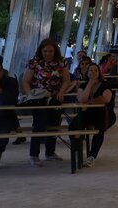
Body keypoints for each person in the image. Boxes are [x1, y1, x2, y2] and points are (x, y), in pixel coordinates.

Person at [22, 39, 71, 167]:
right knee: (39, 125)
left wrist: (61, 93)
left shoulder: (62, 62)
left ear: (55, 51)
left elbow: (67, 80)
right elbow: (26, 81)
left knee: (54, 124)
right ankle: (34, 155)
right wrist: (30, 95)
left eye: (50, 51)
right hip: (39, 99)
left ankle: (50, 152)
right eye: (45, 51)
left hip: (55, 98)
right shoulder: (34, 62)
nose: (47, 53)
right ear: (41, 51)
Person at [69, 64, 116, 167]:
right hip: (86, 114)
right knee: (73, 126)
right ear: (87, 73)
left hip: (104, 114)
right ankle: (76, 150)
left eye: (95, 70)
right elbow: (82, 99)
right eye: (90, 70)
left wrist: (90, 101)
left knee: (99, 129)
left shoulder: (105, 85)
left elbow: (105, 99)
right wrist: (90, 84)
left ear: (99, 73)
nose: (93, 72)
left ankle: (92, 156)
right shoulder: (83, 86)